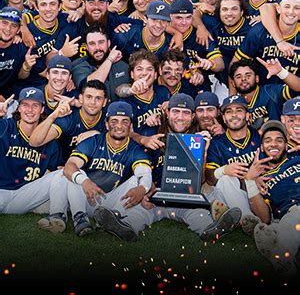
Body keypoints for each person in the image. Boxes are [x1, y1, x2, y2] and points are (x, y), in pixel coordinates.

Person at [93, 93, 242, 242]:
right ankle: (125, 228)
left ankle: (212, 229)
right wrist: (143, 140)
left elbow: (202, 181)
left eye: (186, 113)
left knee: (199, 213)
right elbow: (132, 140)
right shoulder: (154, 135)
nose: (180, 117)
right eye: (176, 111)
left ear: (192, 117)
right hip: (156, 196)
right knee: (138, 212)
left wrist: (202, 156)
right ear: (167, 112)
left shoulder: (198, 139)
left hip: (186, 197)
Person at [38, 101, 152, 238]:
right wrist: (85, 181)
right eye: (114, 121)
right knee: (71, 173)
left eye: (125, 121)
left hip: (112, 201)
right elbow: (70, 165)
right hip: (87, 197)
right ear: (106, 124)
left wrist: (142, 188)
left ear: (131, 125)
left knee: (136, 181)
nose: (119, 126)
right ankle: (79, 218)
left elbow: (144, 172)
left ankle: (114, 219)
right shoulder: (94, 141)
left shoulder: (135, 149)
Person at [244, 120, 300, 275]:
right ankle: (283, 261)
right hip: (293, 212)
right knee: (291, 220)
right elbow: (264, 216)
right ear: (262, 147)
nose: (273, 144)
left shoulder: (297, 158)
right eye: (268, 141)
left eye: (279, 140)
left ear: (286, 144)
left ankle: (277, 243)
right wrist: (249, 180)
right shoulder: (262, 179)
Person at [0, 87, 63, 214]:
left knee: (62, 174)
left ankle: (57, 217)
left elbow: (54, 172)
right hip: (1, 191)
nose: (30, 110)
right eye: (25, 105)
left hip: (26, 196)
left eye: (35, 105)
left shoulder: (49, 139)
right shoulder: (5, 127)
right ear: (18, 108)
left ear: (42, 109)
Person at [205, 95, 261, 226]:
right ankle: (247, 219)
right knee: (225, 179)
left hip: (260, 187)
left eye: (239, 110)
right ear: (224, 118)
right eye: (229, 112)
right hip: (237, 191)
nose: (234, 115)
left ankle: (228, 213)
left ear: (247, 115)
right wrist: (224, 170)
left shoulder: (259, 135)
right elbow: (209, 177)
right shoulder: (217, 143)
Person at [14, 0, 82, 93]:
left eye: (53, 4)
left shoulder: (67, 21)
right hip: (30, 86)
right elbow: (32, 73)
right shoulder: (27, 34)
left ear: (60, 6)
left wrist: (80, 12)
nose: (48, 9)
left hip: (59, 81)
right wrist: (62, 53)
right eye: (43, 4)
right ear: (36, 7)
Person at [29, 80, 107, 162]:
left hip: (95, 171)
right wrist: (53, 116)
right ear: (81, 98)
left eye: (98, 98)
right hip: (64, 168)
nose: (93, 102)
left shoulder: (109, 119)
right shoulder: (69, 119)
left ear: (104, 102)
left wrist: (98, 136)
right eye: (88, 97)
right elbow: (34, 142)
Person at [234, 0, 300, 85]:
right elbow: (235, 64)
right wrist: (233, 97)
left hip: (293, 94)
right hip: (262, 92)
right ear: (278, 9)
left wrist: (281, 72)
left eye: (297, 8)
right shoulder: (260, 31)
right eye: (287, 6)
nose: (291, 11)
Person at [169, 0, 225, 91]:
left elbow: (220, 64)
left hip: (197, 86)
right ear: (170, 17)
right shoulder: (163, 33)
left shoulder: (201, 35)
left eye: (188, 18)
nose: (183, 22)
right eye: (178, 18)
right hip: (169, 86)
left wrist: (210, 64)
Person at [229, 59, 297, 129]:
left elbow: (298, 87)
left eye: (248, 75)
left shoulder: (270, 92)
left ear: (257, 78)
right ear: (233, 83)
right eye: (238, 77)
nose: (243, 79)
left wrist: (281, 72)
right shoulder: (234, 104)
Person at [118, 49, 170, 136]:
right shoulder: (125, 102)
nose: (144, 73)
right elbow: (125, 134)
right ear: (131, 74)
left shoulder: (163, 92)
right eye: (139, 69)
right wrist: (144, 140)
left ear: (155, 75)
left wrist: (170, 110)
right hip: (139, 148)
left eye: (149, 69)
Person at [72, 24, 129, 101]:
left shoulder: (124, 61)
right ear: (86, 47)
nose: (97, 48)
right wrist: (109, 60)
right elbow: (90, 87)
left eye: (101, 42)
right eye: (92, 44)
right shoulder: (78, 66)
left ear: (108, 43)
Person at [0, 7, 28, 99]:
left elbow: (21, 76)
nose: (8, 29)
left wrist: (26, 67)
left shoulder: (21, 49)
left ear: (18, 30)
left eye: (14, 26)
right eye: (4, 23)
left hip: (9, 98)